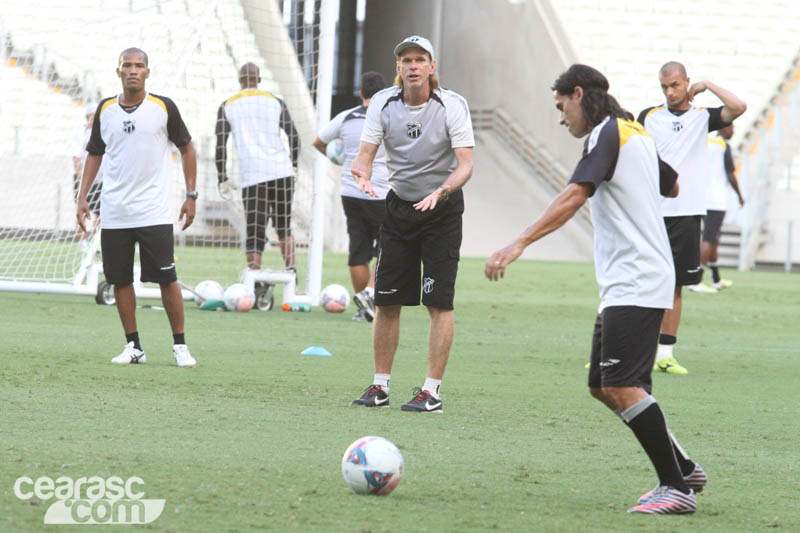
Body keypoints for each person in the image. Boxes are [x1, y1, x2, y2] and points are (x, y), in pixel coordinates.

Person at [487, 64, 704, 515]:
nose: (561, 116)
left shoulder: (608, 132)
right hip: (630, 279)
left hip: (637, 278)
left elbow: (575, 194)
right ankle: (683, 467)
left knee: (623, 385)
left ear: (579, 94)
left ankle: (676, 487)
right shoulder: (634, 132)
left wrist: (519, 242)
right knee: (601, 385)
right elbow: (674, 184)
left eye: (561, 106)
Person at [349, 36, 474, 413]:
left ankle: (431, 391)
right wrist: (363, 173)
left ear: (432, 66)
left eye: (420, 59)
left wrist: (443, 190)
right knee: (387, 301)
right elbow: (365, 155)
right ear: (399, 67)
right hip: (399, 209)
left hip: (442, 211)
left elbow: (466, 163)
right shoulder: (384, 104)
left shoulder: (452, 104)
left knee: (439, 303)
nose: (413, 66)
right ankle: (379, 385)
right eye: (406, 60)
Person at [77, 47, 197, 367]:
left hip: (153, 211)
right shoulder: (105, 110)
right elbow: (94, 153)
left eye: (139, 66)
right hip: (115, 211)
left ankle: (180, 346)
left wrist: (192, 194)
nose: (133, 70)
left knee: (166, 279)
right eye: (127, 65)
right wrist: (82, 197)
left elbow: (187, 148)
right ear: (118, 71)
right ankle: (134, 347)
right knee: (120, 280)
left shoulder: (163, 107)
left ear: (147, 72)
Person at [637, 62, 746, 374]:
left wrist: (708, 83)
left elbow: (738, 107)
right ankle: (619, 350)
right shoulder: (648, 116)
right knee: (638, 281)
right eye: (664, 87)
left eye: (675, 85)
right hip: (651, 210)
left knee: (675, 285)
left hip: (686, 214)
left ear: (686, 82)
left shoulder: (702, 119)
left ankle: (665, 355)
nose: (670, 92)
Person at [312, 71, 389, 322]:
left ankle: (363, 309)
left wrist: (339, 159)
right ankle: (370, 293)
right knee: (387, 249)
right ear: (383, 94)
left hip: (351, 192)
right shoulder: (389, 118)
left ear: (361, 94)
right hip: (381, 193)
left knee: (358, 250)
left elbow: (318, 142)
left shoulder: (346, 117)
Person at [215, 62, 300, 281]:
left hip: (253, 176)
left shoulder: (228, 105)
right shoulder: (274, 101)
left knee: (255, 228)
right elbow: (294, 135)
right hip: (281, 172)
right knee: (284, 225)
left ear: (240, 80)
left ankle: (253, 277)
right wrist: (294, 164)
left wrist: (222, 176)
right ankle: (291, 272)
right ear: (259, 79)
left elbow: (220, 145)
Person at [689, 124, 744, 293]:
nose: (733, 131)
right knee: (709, 238)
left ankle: (716, 279)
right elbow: (730, 174)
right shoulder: (723, 146)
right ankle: (696, 281)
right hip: (717, 200)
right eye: (732, 128)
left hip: (702, 198)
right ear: (724, 128)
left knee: (714, 238)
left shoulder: (706, 143)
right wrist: (740, 195)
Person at [73, 105, 103, 249]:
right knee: (82, 210)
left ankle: (95, 242)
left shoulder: (102, 131)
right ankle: (83, 242)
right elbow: (76, 157)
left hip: (101, 179)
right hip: (85, 180)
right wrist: (81, 179)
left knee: (102, 213)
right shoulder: (80, 133)